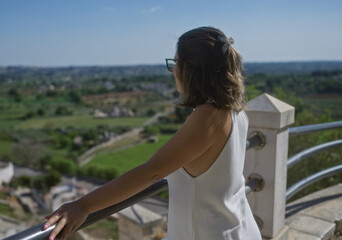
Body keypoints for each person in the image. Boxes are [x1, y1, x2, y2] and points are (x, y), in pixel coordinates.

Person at [43, 26, 262, 240]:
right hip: (238, 228)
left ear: (188, 69)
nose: (173, 70)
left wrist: (82, 206)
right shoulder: (235, 112)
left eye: (175, 62)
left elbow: (152, 172)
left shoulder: (208, 117)